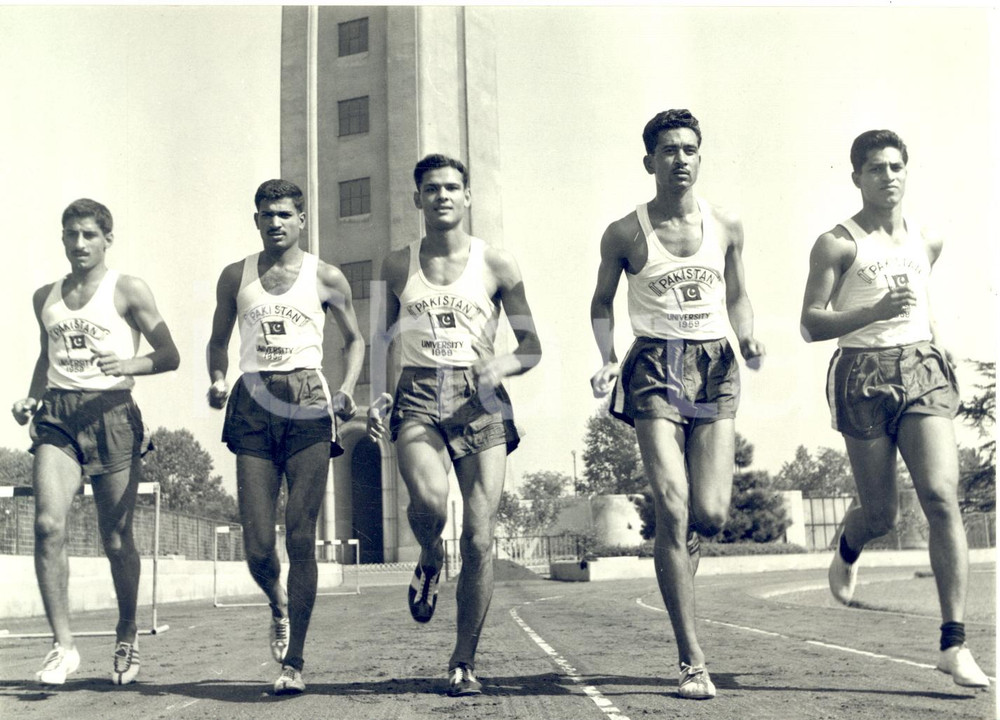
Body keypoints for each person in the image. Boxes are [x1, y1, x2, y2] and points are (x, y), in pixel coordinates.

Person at [800, 130, 989, 689]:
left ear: (908, 171)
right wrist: (875, 309)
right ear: (856, 176)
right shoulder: (836, 243)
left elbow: (924, 301)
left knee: (940, 495)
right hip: (862, 372)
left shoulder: (928, 240)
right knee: (882, 514)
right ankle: (851, 545)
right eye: (875, 168)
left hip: (922, 370)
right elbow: (811, 323)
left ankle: (954, 643)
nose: (888, 176)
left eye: (896, 166)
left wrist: (936, 339)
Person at [589, 110, 764, 700]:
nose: (681, 159)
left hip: (715, 366)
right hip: (654, 367)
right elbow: (600, 303)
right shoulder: (624, 232)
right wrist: (608, 356)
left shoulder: (728, 225)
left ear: (700, 156)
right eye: (668, 150)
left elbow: (738, 297)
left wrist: (749, 335)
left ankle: (679, 554)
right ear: (650, 161)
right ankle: (691, 658)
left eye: (690, 149)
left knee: (708, 515)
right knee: (671, 502)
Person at [367, 154, 541, 697]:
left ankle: (463, 661)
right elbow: (380, 341)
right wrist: (379, 393)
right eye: (431, 189)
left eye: (452, 188)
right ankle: (426, 553)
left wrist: (504, 364)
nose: (442, 196)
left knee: (480, 537)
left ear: (467, 197)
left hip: (481, 395)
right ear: (416, 199)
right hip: (417, 392)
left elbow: (532, 346)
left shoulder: (499, 265)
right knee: (431, 504)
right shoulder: (395, 266)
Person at [11, 199, 180, 686]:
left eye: (88, 235)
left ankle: (126, 630)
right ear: (62, 238)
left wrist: (130, 366)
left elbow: (169, 354)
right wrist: (30, 398)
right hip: (59, 417)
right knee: (47, 526)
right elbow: (48, 360)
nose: (79, 244)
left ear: (108, 238)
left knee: (115, 539)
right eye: (71, 235)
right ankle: (63, 647)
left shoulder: (127, 289)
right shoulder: (45, 295)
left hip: (112, 415)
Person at [206, 179, 365, 695]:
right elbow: (217, 340)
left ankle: (294, 660)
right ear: (256, 220)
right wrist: (215, 378)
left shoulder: (326, 276)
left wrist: (344, 388)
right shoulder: (236, 276)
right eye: (265, 214)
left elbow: (356, 339)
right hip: (252, 401)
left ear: (301, 220)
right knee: (256, 545)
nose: (274, 222)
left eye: (283, 214)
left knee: (300, 534)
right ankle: (277, 604)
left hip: (307, 401)